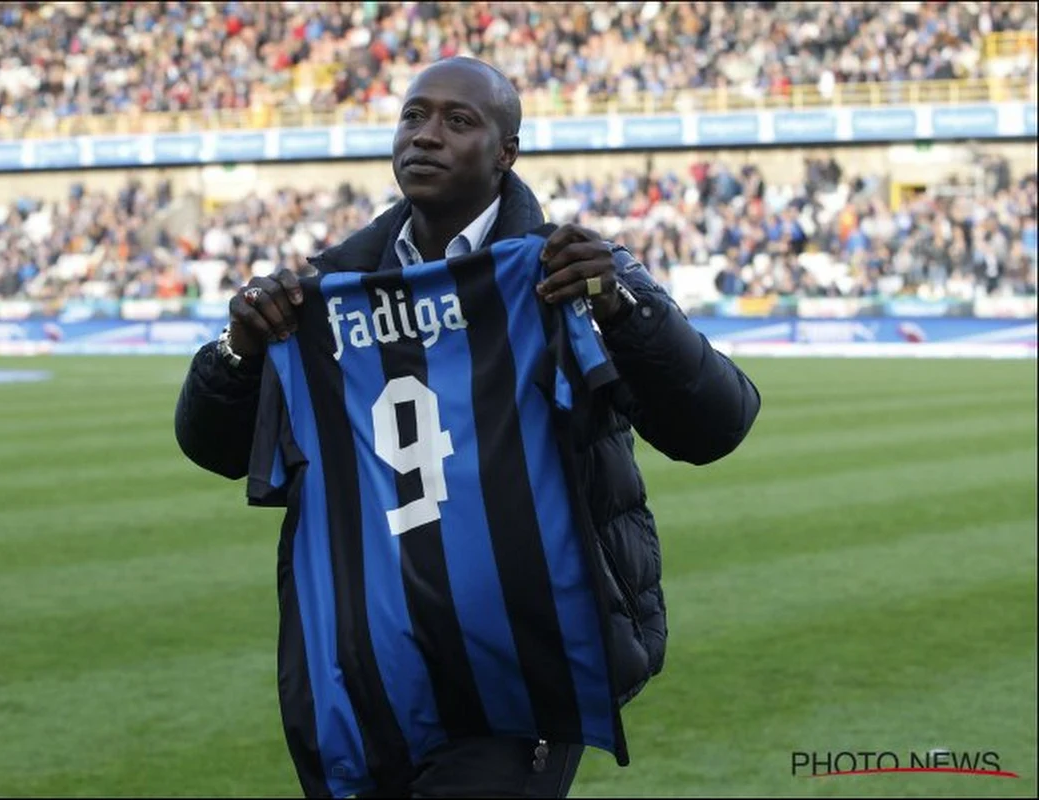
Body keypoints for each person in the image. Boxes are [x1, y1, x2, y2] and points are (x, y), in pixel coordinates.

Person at [175, 56, 762, 798]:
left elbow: (719, 422)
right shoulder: (333, 286)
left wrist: (622, 309)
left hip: (523, 652)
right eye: (414, 116)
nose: (426, 136)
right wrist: (238, 350)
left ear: (506, 152)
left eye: (459, 121)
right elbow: (212, 447)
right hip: (374, 661)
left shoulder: (568, 272)